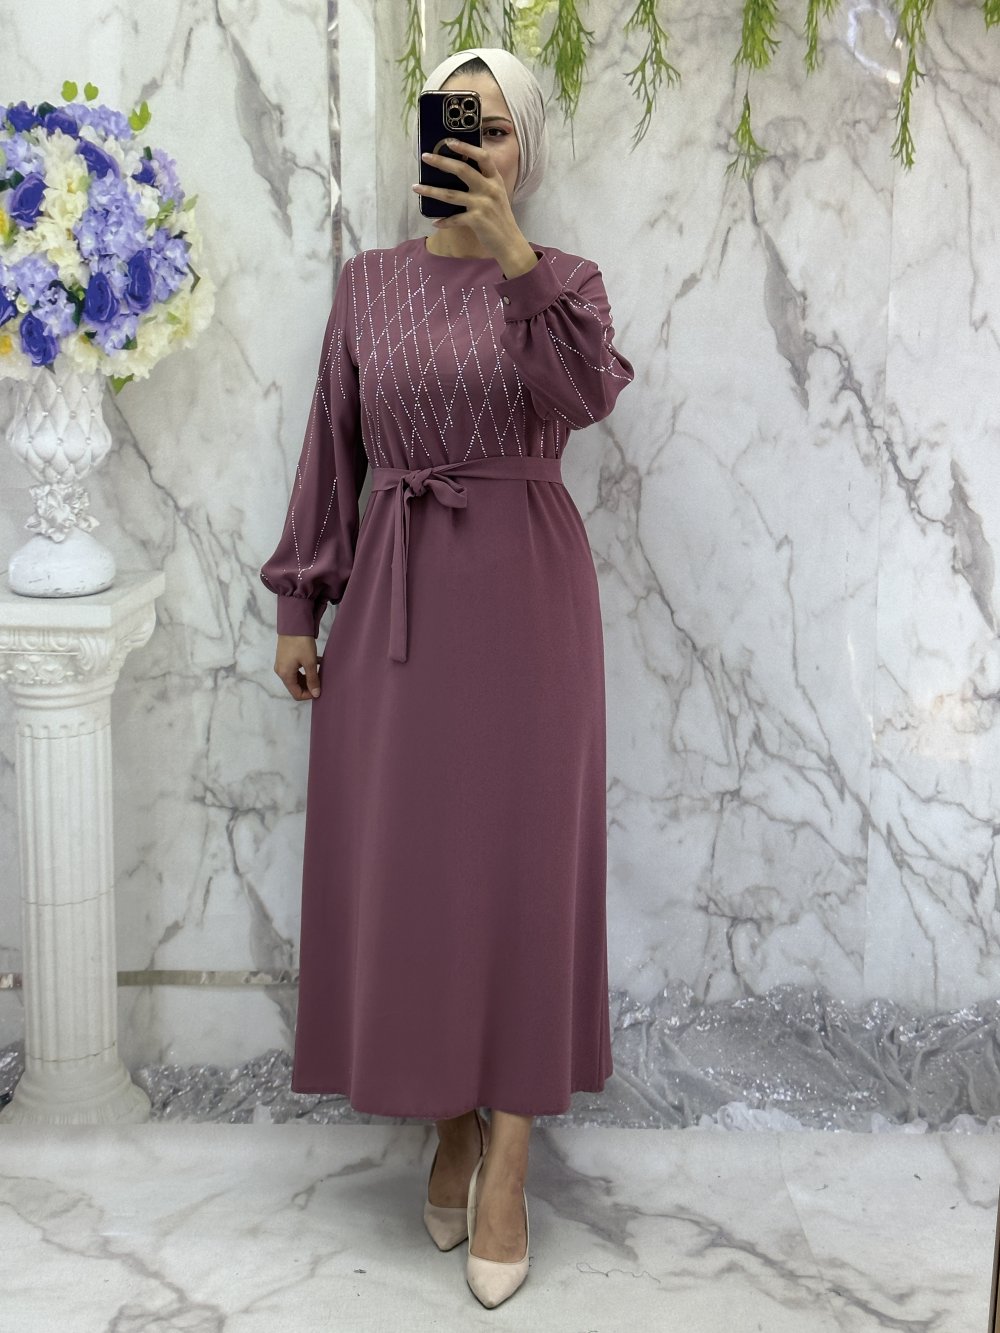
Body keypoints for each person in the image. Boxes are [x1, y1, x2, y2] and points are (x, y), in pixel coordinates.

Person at [259, 46, 634, 1309]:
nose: (474, 145)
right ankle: (448, 1124)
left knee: (527, 875)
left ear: (527, 148)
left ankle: (510, 1157)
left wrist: (514, 255)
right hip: (395, 611)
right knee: (414, 874)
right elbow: (333, 446)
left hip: (528, 605)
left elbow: (582, 395)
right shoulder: (367, 284)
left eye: (497, 127)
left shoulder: (565, 282)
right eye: (452, 123)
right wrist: (301, 600)